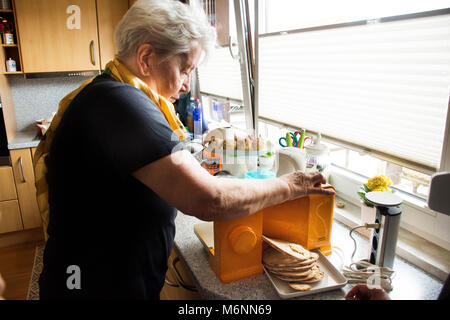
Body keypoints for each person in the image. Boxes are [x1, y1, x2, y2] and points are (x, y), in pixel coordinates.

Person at [34, 0, 334, 300]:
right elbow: (210, 200)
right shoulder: (122, 105)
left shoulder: (108, 93)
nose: (187, 85)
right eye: (185, 68)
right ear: (147, 58)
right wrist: (292, 184)